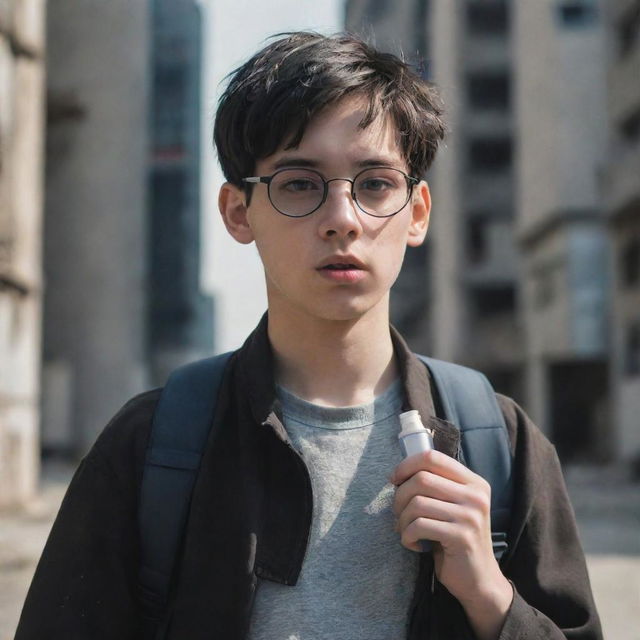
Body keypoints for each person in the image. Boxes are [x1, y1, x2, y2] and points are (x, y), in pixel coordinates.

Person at [16, 32, 602, 640]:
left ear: (418, 212)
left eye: (375, 183)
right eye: (299, 183)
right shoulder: (153, 447)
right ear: (238, 212)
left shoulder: (500, 443)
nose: (343, 220)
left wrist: (488, 594)